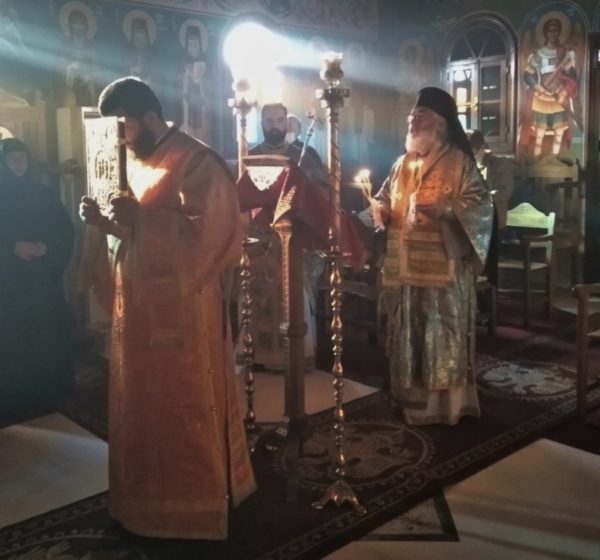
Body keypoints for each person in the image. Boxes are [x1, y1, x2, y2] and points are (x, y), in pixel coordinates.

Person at [78, 77, 255, 539]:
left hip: (184, 320)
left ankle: (196, 506)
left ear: (151, 118)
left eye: (125, 127)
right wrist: (106, 223)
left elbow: (214, 237)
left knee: (182, 405)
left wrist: (142, 219)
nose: (120, 140)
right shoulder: (140, 163)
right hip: (136, 311)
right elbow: (134, 237)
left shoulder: (197, 162)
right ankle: (144, 501)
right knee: (143, 404)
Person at [375, 87, 493, 425]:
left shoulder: (460, 162)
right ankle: (410, 400)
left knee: (440, 331)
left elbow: (482, 206)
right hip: (405, 264)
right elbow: (385, 196)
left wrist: (448, 211)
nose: (413, 122)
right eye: (412, 117)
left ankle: (446, 406)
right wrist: (381, 209)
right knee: (408, 330)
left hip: (445, 267)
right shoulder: (401, 164)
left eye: (421, 117)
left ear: (440, 124)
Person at [240, 103, 328, 370]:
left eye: (279, 120)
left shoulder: (302, 156)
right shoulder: (250, 156)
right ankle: (258, 355)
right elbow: (239, 197)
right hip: (258, 237)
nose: (274, 126)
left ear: (286, 122)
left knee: (292, 293)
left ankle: (295, 356)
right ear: (262, 123)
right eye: (269, 121)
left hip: (291, 237)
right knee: (257, 293)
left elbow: (320, 194)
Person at [0, 138, 74, 422]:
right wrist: (12, 248)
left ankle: (50, 394)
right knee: (14, 341)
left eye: (22, 158)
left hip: (42, 280)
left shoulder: (43, 193)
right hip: (9, 285)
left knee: (47, 336)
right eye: (12, 160)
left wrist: (48, 248)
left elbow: (64, 229)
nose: (18, 164)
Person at [520, 17, 580, 160]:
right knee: (540, 132)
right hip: (541, 96)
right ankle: (537, 163)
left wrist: (564, 91)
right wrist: (537, 87)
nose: (553, 34)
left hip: (559, 96)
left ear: (559, 32)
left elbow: (572, 76)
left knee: (559, 131)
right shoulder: (537, 55)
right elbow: (527, 75)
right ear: (545, 33)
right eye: (550, 31)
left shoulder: (565, 53)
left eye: (556, 31)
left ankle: (554, 161)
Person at [468, 129, 515, 229]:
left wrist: (480, 198)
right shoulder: (469, 168)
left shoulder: (499, 165)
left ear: (483, 148)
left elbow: (503, 193)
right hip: (474, 224)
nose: (470, 160)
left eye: (473, 155)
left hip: (493, 224)